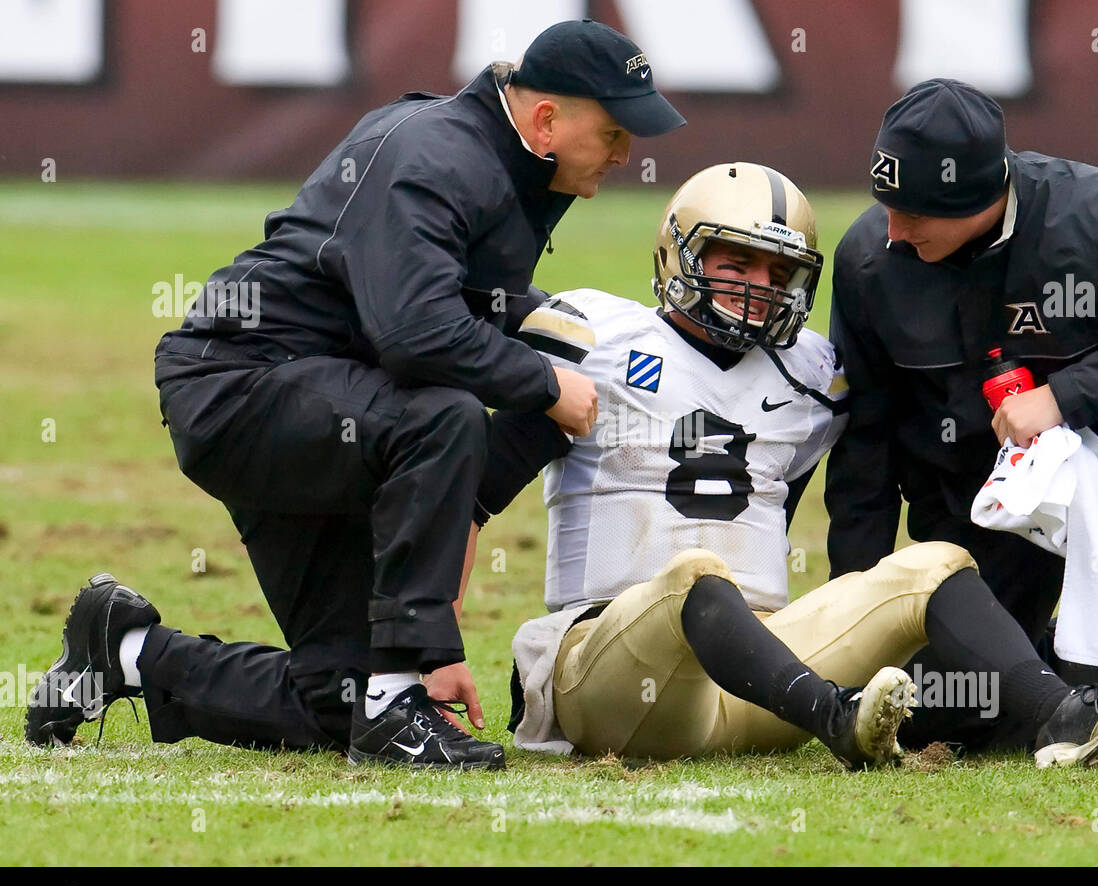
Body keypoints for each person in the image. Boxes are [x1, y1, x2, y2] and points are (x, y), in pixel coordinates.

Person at [25, 19, 685, 770]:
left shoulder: (496, 160)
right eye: (614, 130)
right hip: (239, 383)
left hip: (320, 404)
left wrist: (543, 363)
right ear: (546, 120)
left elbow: (440, 355)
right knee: (445, 415)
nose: (628, 152)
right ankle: (398, 697)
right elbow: (416, 334)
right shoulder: (445, 155)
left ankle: (128, 649)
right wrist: (540, 382)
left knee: (339, 694)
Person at [460, 162, 1098, 770]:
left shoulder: (813, 379)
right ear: (678, 251)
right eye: (735, 261)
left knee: (933, 561)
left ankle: (1063, 715)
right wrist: (431, 647)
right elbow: (472, 495)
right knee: (695, 572)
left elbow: (860, 484)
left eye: (779, 271)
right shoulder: (599, 338)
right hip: (616, 676)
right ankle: (840, 719)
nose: (758, 286)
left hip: (761, 686)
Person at [826, 79, 1098, 766]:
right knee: (945, 709)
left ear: (980, 196)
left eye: (912, 212)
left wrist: (1067, 395)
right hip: (982, 512)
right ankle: (1073, 669)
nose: (891, 229)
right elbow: (864, 457)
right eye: (885, 203)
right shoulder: (872, 263)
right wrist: (852, 619)